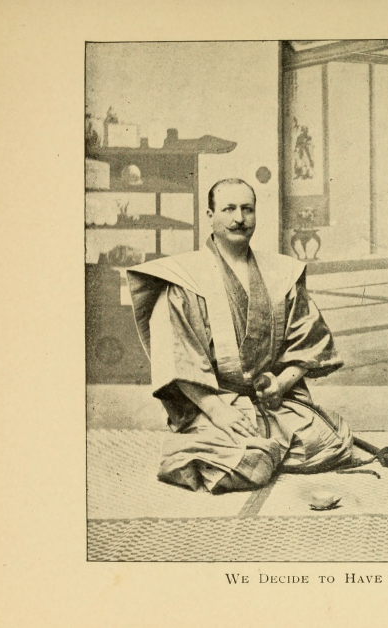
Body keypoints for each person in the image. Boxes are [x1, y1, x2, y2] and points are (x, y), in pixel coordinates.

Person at [127, 178, 353, 493]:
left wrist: (281, 383)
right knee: (250, 464)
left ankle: (254, 445)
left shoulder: (280, 272)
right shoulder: (184, 280)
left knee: (333, 441)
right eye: (229, 209)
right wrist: (219, 411)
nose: (239, 219)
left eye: (247, 209)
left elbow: (309, 343)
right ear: (209, 215)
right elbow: (179, 361)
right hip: (213, 402)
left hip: (272, 401)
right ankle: (231, 445)